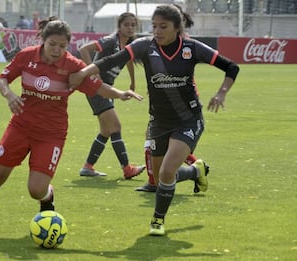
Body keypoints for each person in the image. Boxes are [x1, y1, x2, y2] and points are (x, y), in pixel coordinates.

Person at [0, 17, 143, 233]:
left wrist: (120, 94)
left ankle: (47, 200)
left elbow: (99, 87)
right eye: (52, 44)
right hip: (20, 126)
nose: (56, 50)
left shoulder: (73, 66)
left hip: (51, 134)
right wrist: (9, 95)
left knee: (36, 189)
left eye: (62, 46)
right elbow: (2, 79)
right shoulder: (26, 56)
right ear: (43, 40)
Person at [68, 4, 239, 236]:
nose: (157, 31)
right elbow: (110, 60)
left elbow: (231, 66)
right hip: (159, 121)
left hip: (188, 119)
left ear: (177, 28)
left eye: (163, 26)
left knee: (167, 172)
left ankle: (157, 221)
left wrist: (221, 93)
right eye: (154, 26)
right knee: (160, 179)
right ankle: (195, 171)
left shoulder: (191, 48)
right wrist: (83, 73)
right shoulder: (144, 46)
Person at [135, 4, 207, 193]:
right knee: (156, 142)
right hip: (162, 102)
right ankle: (191, 170)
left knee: (156, 142)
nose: (158, 29)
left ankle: (166, 179)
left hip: (180, 105)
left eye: (163, 24)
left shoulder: (183, 44)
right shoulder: (161, 41)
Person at [78, 12, 145, 179]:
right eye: (126, 25)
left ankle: (87, 167)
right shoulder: (110, 41)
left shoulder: (128, 44)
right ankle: (127, 169)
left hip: (105, 89)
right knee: (115, 127)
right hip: (97, 89)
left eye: (133, 25)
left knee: (107, 130)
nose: (130, 28)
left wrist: (132, 82)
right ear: (119, 26)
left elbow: (128, 59)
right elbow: (83, 49)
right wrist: (91, 72)